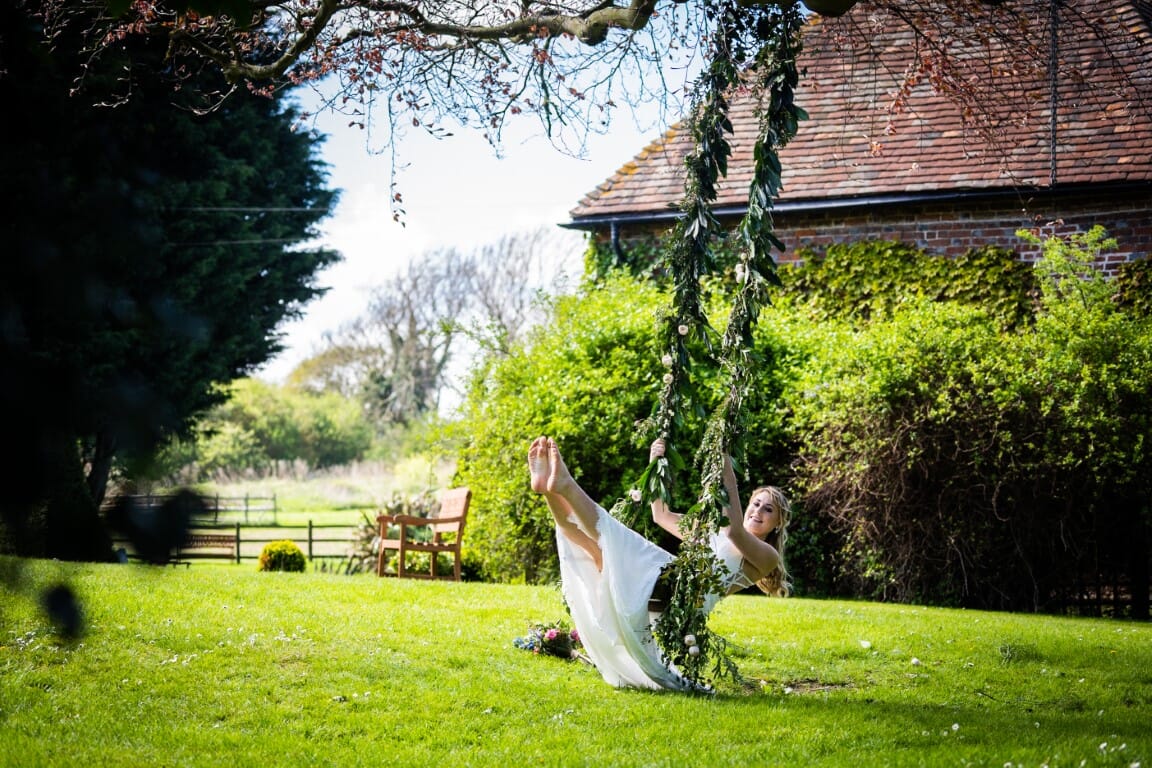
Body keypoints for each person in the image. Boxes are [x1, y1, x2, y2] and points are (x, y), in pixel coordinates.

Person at [527, 435, 791, 690]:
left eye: (768, 509)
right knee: (591, 550)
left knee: (612, 535)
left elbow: (735, 531)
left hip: (675, 594)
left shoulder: (766, 555)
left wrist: (727, 476)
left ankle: (565, 484)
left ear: (778, 522)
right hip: (664, 585)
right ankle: (550, 491)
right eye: (755, 503)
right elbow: (661, 515)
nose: (757, 511)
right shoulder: (712, 531)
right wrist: (656, 464)